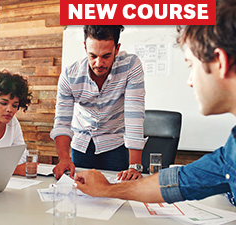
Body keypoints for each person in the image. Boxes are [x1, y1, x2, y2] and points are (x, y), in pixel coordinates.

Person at [75, 0, 236, 205]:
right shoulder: (231, 151)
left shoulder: (131, 66)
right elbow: (180, 181)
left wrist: (128, 171)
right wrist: (107, 189)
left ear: (220, 62)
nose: (189, 81)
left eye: (190, 65)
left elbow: (134, 115)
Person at [51, 25, 146, 180]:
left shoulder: (130, 66)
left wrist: (134, 166)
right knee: (81, 193)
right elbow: (62, 122)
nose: (99, 63)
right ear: (85, 47)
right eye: (93, 56)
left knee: (118, 193)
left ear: (117, 48)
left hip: (115, 143)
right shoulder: (70, 75)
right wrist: (63, 158)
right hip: (82, 144)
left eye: (106, 56)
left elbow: (134, 115)